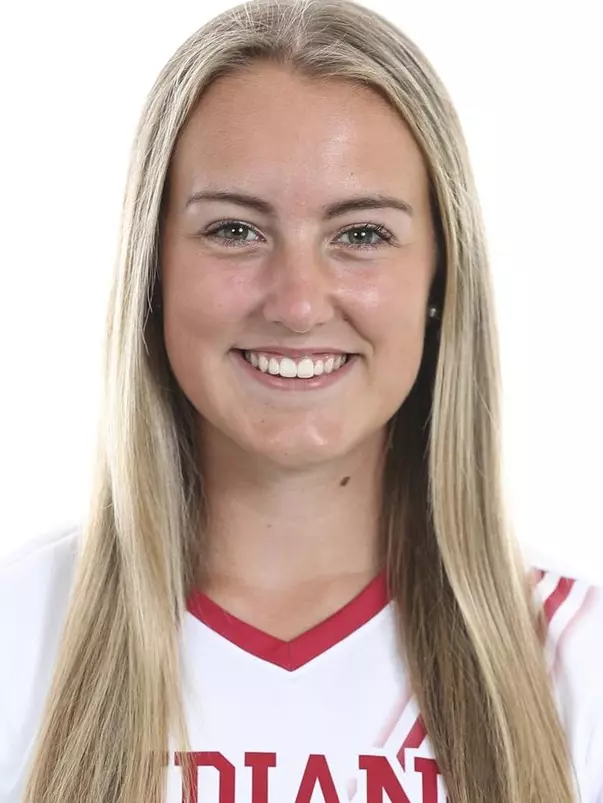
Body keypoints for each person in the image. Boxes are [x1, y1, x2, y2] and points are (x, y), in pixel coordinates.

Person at [1, 0, 601, 801]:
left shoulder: (576, 657)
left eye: (360, 235)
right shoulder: (18, 631)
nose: (296, 302)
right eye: (233, 231)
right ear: (153, 271)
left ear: (439, 278)